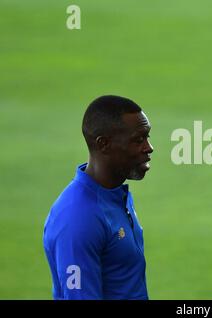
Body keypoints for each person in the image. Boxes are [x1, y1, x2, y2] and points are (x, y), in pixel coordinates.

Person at [43, 95, 154, 299]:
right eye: (138, 140)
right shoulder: (78, 218)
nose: (149, 147)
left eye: (147, 137)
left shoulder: (113, 195)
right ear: (104, 144)